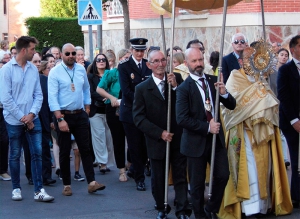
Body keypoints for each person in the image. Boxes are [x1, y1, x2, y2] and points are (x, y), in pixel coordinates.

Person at [219, 41, 292, 218]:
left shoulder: (261, 80)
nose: (253, 62)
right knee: (249, 170)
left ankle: (263, 206)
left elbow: (273, 104)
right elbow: (229, 108)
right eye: (249, 59)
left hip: (263, 132)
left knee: (264, 169)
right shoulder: (235, 77)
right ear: (242, 62)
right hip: (244, 133)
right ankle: (249, 208)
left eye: (255, 59)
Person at [176, 48, 236, 219]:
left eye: (200, 60)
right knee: (197, 184)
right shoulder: (183, 89)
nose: (198, 64)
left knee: (223, 174)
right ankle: (200, 215)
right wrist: (207, 127)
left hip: (215, 140)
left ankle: (212, 207)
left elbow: (232, 105)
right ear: (186, 64)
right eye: (194, 61)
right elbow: (182, 119)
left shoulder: (214, 81)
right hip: (195, 142)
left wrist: (224, 93)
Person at [133, 50, 191, 219]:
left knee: (180, 175)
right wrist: (160, 133)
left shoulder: (176, 80)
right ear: (149, 65)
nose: (160, 64)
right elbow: (138, 118)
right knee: (159, 178)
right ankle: (161, 207)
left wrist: (175, 87)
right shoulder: (142, 88)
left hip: (178, 137)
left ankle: (182, 210)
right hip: (157, 140)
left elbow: (186, 104)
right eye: (156, 61)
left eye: (163, 60)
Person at [0, 36, 54, 202]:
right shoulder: (6, 70)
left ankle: (39, 190)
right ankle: (16, 188)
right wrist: (23, 118)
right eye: (32, 49)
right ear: (24, 50)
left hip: (33, 117)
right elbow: (5, 98)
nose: (34, 53)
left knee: (37, 153)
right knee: (15, 154)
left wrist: (31, 114)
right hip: (13, 120)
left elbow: (38, 94)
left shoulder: (32, 69)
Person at [48, 43, 106, 196]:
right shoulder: (55, 72)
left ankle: (92, 182)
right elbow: (52, 97)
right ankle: (67, 184)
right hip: (63, 115)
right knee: (65, 151)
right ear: (61, 55)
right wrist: (59, 119)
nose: (71, 56)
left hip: (80, 114)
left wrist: (87, 107)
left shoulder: (81, 69)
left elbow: (86, 88)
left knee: (85, 148)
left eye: (73, 53)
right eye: (67, 54)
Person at [118, 38, 152, 191]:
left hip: (145, 112)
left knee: (145, 147)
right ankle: (140, 178)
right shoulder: (124, 66)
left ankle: (134, 169)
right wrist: (143, 101)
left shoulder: (148, 64)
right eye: (137, 50)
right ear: (131, 50)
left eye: (142, 50)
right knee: (135, 146)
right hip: (130, 111)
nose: (139, 53)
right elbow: (126, 91)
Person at [97, 48, 131, 182]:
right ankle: (121, 170)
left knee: (134, 138)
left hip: (130, 108)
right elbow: (99, 88)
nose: (127, 61)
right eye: (125, 58)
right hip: (115, 109)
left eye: (129, 58)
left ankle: (130, 163)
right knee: (118, 139)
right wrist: (111, 98)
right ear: (120, 59)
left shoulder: (133, 73)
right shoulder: (112, 73)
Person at [277, 35, 300, 208]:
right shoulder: (285, 70)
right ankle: (296, 195)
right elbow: (283, 97)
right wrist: (294, 120)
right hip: (292, 121)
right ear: (293, 49)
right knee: (295, 158)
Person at [87, 53, 115, 174]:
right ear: (95, 62)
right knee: (99, 137)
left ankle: (108, 162)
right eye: (99, 60)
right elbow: (90, 92)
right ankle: (102, 163)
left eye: (103, 60)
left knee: (109, 137)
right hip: (95, 111)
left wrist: (110, 98)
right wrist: (104, 97)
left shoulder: (111, 74)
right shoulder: (90, 76)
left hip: (109, 110)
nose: (101, 61)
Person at [269, 48, 291, 168]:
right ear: (277, 56)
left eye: (286, 55)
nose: (284, 57)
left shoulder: (287, 71)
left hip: (282, 105)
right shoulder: (271, 72)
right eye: (281, 55)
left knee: (282, 131)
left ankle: (285, 158)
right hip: (272, 104)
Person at [38, 62, 56, 186]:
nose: (37, 65)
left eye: (39, 62)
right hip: (28, 119)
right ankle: (32, 175)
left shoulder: (46, 81)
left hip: (44, 118)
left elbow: (50, 101)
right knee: (32, 150)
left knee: (45, 147)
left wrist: (51, 119)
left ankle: (46, 176)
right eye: (35, 62)